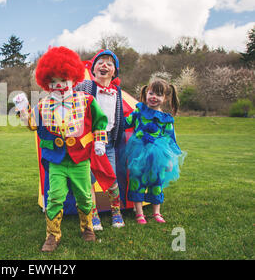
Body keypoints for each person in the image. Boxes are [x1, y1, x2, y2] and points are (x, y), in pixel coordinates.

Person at [14, 46, 116, 252]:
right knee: (55, 196)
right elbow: (32, 124)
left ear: (73, 77)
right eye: (53, 80)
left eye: (63, 78)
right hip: (56, 160)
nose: (58, 84)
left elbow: (100, 122)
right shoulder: (43, 105)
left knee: (85, 196)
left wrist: (99, 141)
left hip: (80, 159)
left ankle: (87, 228)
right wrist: (22, 110)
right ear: (46, 82)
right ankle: (52, 236)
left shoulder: (86, 100)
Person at [121, 78, 185, 224]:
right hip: (138, 153)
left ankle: (156, 212)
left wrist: (170, 160)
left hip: (158, 156)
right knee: (137, 181)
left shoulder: (166, 119)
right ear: (146, 93)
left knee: (157, 182)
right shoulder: (139, 111)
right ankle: (139, 213)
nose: (154, 97)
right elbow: (126, 123)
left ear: (165, 98)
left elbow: (170, 139)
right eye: (151, 93)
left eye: (159, 94)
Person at [75, 50, 126, 229]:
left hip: (109, 143)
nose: (104, 65)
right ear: (93, 69)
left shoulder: (117, 91)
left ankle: (116, 212)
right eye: (101, 62)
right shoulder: (85, 86)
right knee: (88, 180)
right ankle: (93, 215)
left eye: (109, 63)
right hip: (87, 144)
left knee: (111, 179)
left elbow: (118, 115)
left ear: (114, 72)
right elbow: (67, 90)